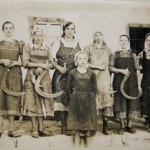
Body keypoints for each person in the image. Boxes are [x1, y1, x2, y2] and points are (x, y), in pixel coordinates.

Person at [22, 26, 55, 138]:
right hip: (31, 76)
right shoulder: (27, 46)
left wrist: (44, 67)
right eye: (36, 35)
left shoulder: (47, 47)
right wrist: (40, 65)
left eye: (40, 35)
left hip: (44, 77)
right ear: (33, 35)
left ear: (43, 36)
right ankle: (34, 129)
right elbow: (25, 63)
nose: (38, 37)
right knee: (32, 102)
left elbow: (51, 64)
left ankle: (41, 128)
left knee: (42, 102)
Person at [51, 21, 81, 134]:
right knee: (61, 100)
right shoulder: (58, 43)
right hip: (61, 76)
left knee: (72, 99)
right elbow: (51, 59)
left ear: (74, 31)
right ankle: (64, 126)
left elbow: (81, 58)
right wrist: (58, 67)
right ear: (64, 30)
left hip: (74, 76)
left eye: (72, 29)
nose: (70, 31)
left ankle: (71, 125)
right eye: (67, 29)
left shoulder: (77, 43)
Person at [109, 34, 142, 134]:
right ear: (119, 42)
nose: (123, 42)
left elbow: (137, 70)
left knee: (132, 103)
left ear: (128, 42)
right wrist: (121, 71)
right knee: (120, 103)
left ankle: (129, 125)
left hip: (132, 82)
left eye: (125, 40)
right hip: (119, 81)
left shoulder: (133, 55)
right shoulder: (114, 54)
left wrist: (139, 85)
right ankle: (122, 126)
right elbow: (110, 68)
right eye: (121, 40)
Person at [84, 31, 114, 135]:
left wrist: (110, 81)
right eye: (96, 35)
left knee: (106, 101)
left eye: (100, 34)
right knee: (92, 101)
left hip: (105, 78)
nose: (98, 37)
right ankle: (92, 127)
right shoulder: (88, 48)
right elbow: (84, 63)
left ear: (103, 36)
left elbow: (110, 66)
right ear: (93, 36)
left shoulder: (108, 50)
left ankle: (105, 126)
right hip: (92, 77)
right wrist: (97, 67)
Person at [67, 51, 97, 147]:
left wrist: (92, 97)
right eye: (80, 59)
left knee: (88, 117)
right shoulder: (72, 73)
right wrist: (72, 96)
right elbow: (68, 88)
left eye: (84, 58)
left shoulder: (91, 73)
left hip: (89, 99)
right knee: (76, 117)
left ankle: (87, 136)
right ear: (76, 61)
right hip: (76, 99)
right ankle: (77, 136)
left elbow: (94, 88)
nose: (82, 61)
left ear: (87, 60)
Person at [0, 21, 24, 137]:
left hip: (15, 75)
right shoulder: (0, 44)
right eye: (6, 28)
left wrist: (15, 62)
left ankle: (11, 129)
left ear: (14, 30)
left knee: (12, 100)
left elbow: (24, 62)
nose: (8, 30)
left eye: (10, 28)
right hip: (1, 74)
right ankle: (0, 128)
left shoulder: (19, 44)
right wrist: (2, 61)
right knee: (1, 99)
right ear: (3, 30)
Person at [138, 33, 150, 132]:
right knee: (146, 100)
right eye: (148, 40)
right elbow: (137, 67)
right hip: (146, 79)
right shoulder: (142, 54)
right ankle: (147, 121)